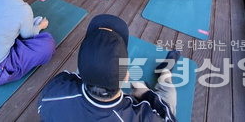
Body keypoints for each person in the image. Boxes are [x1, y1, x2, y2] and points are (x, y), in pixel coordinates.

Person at [38, 14, 179, 121]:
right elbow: (169, 118)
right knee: (168, 102)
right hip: (128, 105)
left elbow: (69, 77)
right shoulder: (143, 116)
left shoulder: (52, 93)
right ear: (126, 77)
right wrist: (146, 94)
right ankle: (165, 71)